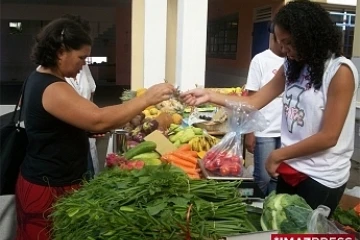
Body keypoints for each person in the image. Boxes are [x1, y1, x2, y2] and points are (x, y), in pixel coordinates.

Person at [181, 0, 358, 215]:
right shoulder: (293, 66)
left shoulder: (339, 71)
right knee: (277, 228)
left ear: (308, 35)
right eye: (280, 42)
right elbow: (254, 102)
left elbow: (329, 136)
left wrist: (278, 154)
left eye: (288, 42)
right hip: (291, 168)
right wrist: (209, 94)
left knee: (305, 234)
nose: (284, 50)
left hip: (321, 177)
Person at [16, 17, 174, 240]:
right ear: (61, 52)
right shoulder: (51, 87)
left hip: (55, 179)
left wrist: (84, 130)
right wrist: (147, 98)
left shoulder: (44, 79)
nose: (83, 64)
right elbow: (97, 119)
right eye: (81, 57)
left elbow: (65, 123)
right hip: (48, 187)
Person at [244, 23, 285, 196]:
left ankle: (271, 207)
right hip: (264, 130)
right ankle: (259, 207)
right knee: (263, 176)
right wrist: (250, 132)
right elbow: (252, 99)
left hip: (287, 132)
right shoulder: (260, 60)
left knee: (279, 175)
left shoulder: (294, 60)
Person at [62, 14, 100, 177]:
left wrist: (93, 119)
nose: (84, 62)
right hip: (62, 161)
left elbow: (90, 94)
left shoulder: (81, 65)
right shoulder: (47, 82)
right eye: (81, 57)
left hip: (83, 144)